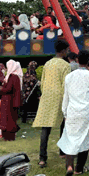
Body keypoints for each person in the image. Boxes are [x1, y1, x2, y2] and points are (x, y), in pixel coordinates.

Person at [58, 50, 89, 176]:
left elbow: (66, 97)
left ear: (77, 60)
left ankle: (69, 166)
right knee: (85, 139)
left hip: (72, 111)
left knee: (70, 139)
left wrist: (65, 112)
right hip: (87, 113)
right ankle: (79, 168)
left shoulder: (69, 77)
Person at [33, 40, 71, 168]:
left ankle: (42, 158)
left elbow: (43, 82)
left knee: (46, 127)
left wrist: (44, 94)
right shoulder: (66, 65)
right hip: (60, 96)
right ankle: (62, 152)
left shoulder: (47, 64)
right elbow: (66, 84)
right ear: (64, 50)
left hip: (47, 96)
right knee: (63, 124)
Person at [0, 60, 23, 141]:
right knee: (7, 118)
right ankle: (6, 137)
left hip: (9, 101)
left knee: (8, 119)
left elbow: (8, 89)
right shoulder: (13, 76)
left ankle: (9, 137)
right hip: (8, 100)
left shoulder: (13, 77)